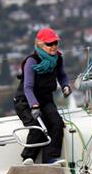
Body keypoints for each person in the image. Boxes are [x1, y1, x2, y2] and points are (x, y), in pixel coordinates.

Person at [14, 27, 71, 165]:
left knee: (57, 123)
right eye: (49, 44)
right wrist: (34, 105)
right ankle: (28, 158)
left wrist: (65, 86)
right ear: (40, 44)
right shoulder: (31, 61)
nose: (53, 46)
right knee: (37, 125)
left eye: (55, 43)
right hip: (26, 101)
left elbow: (62, 75)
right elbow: (27, 87)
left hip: (46, 100)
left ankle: (50, 158)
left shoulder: (57, 59)